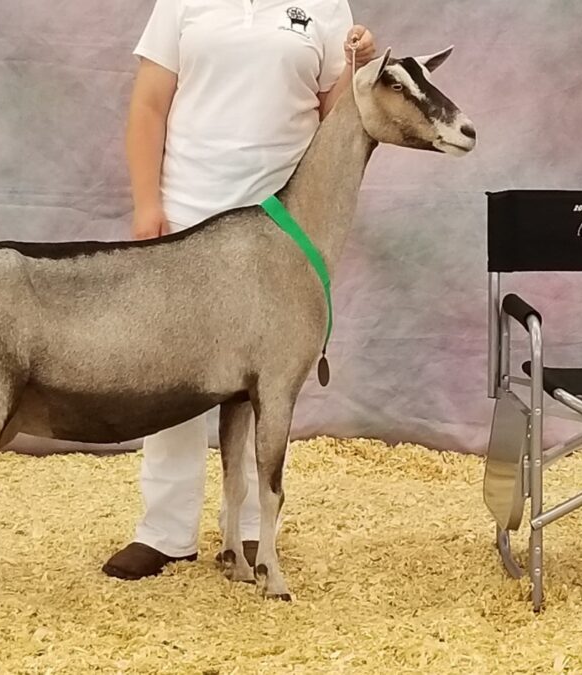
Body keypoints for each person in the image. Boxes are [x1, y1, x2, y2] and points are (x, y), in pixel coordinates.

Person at [102, 0, 377, 580]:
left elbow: (340, 118)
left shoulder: (326, 6)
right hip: (188, 215)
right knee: (168, 374)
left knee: (266, 381)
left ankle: (253, 529)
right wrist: (148, 204)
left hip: (281, 224)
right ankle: (165, 531)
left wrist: (360, 67)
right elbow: (150, 105)